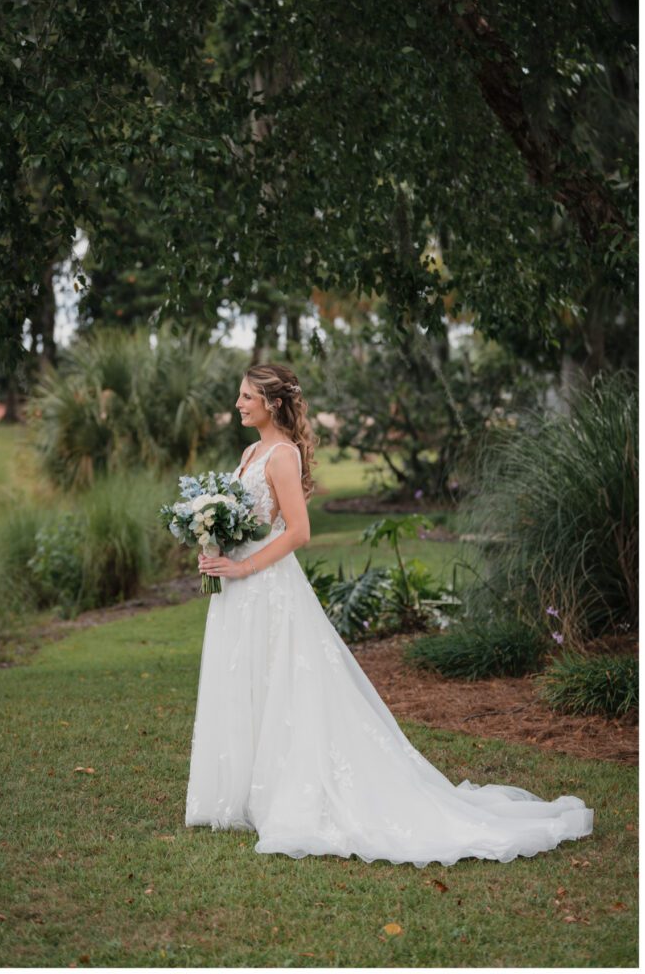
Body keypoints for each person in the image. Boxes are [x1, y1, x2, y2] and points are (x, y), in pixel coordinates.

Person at [186, 363, 593, 868]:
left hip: (268, 587)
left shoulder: (283, 456)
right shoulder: (249, 452)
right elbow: (246, 519)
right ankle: (244, 792)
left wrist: (244, 565)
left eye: (246, 396)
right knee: (246, 682)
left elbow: (297, 533)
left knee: (285, 686)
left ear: (271, 403)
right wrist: (214, 544)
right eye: (240, 396)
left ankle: (294, 792)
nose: (239, 404)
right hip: (239, 590)